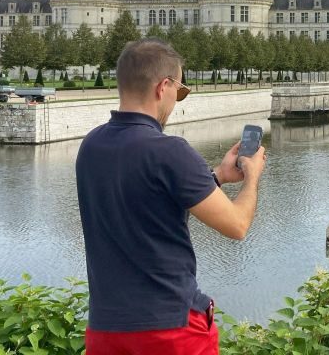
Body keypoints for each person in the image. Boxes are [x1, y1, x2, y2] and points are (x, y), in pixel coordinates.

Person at [76, 38, 267, 354]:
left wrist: (218, 176)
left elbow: (150, 203)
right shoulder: (170, 151)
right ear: (163, 87)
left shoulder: (91, 146)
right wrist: (253, 177)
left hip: (106, 329)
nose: (177, 101)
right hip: (170, 328)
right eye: (180, 91)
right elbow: (237, 225)